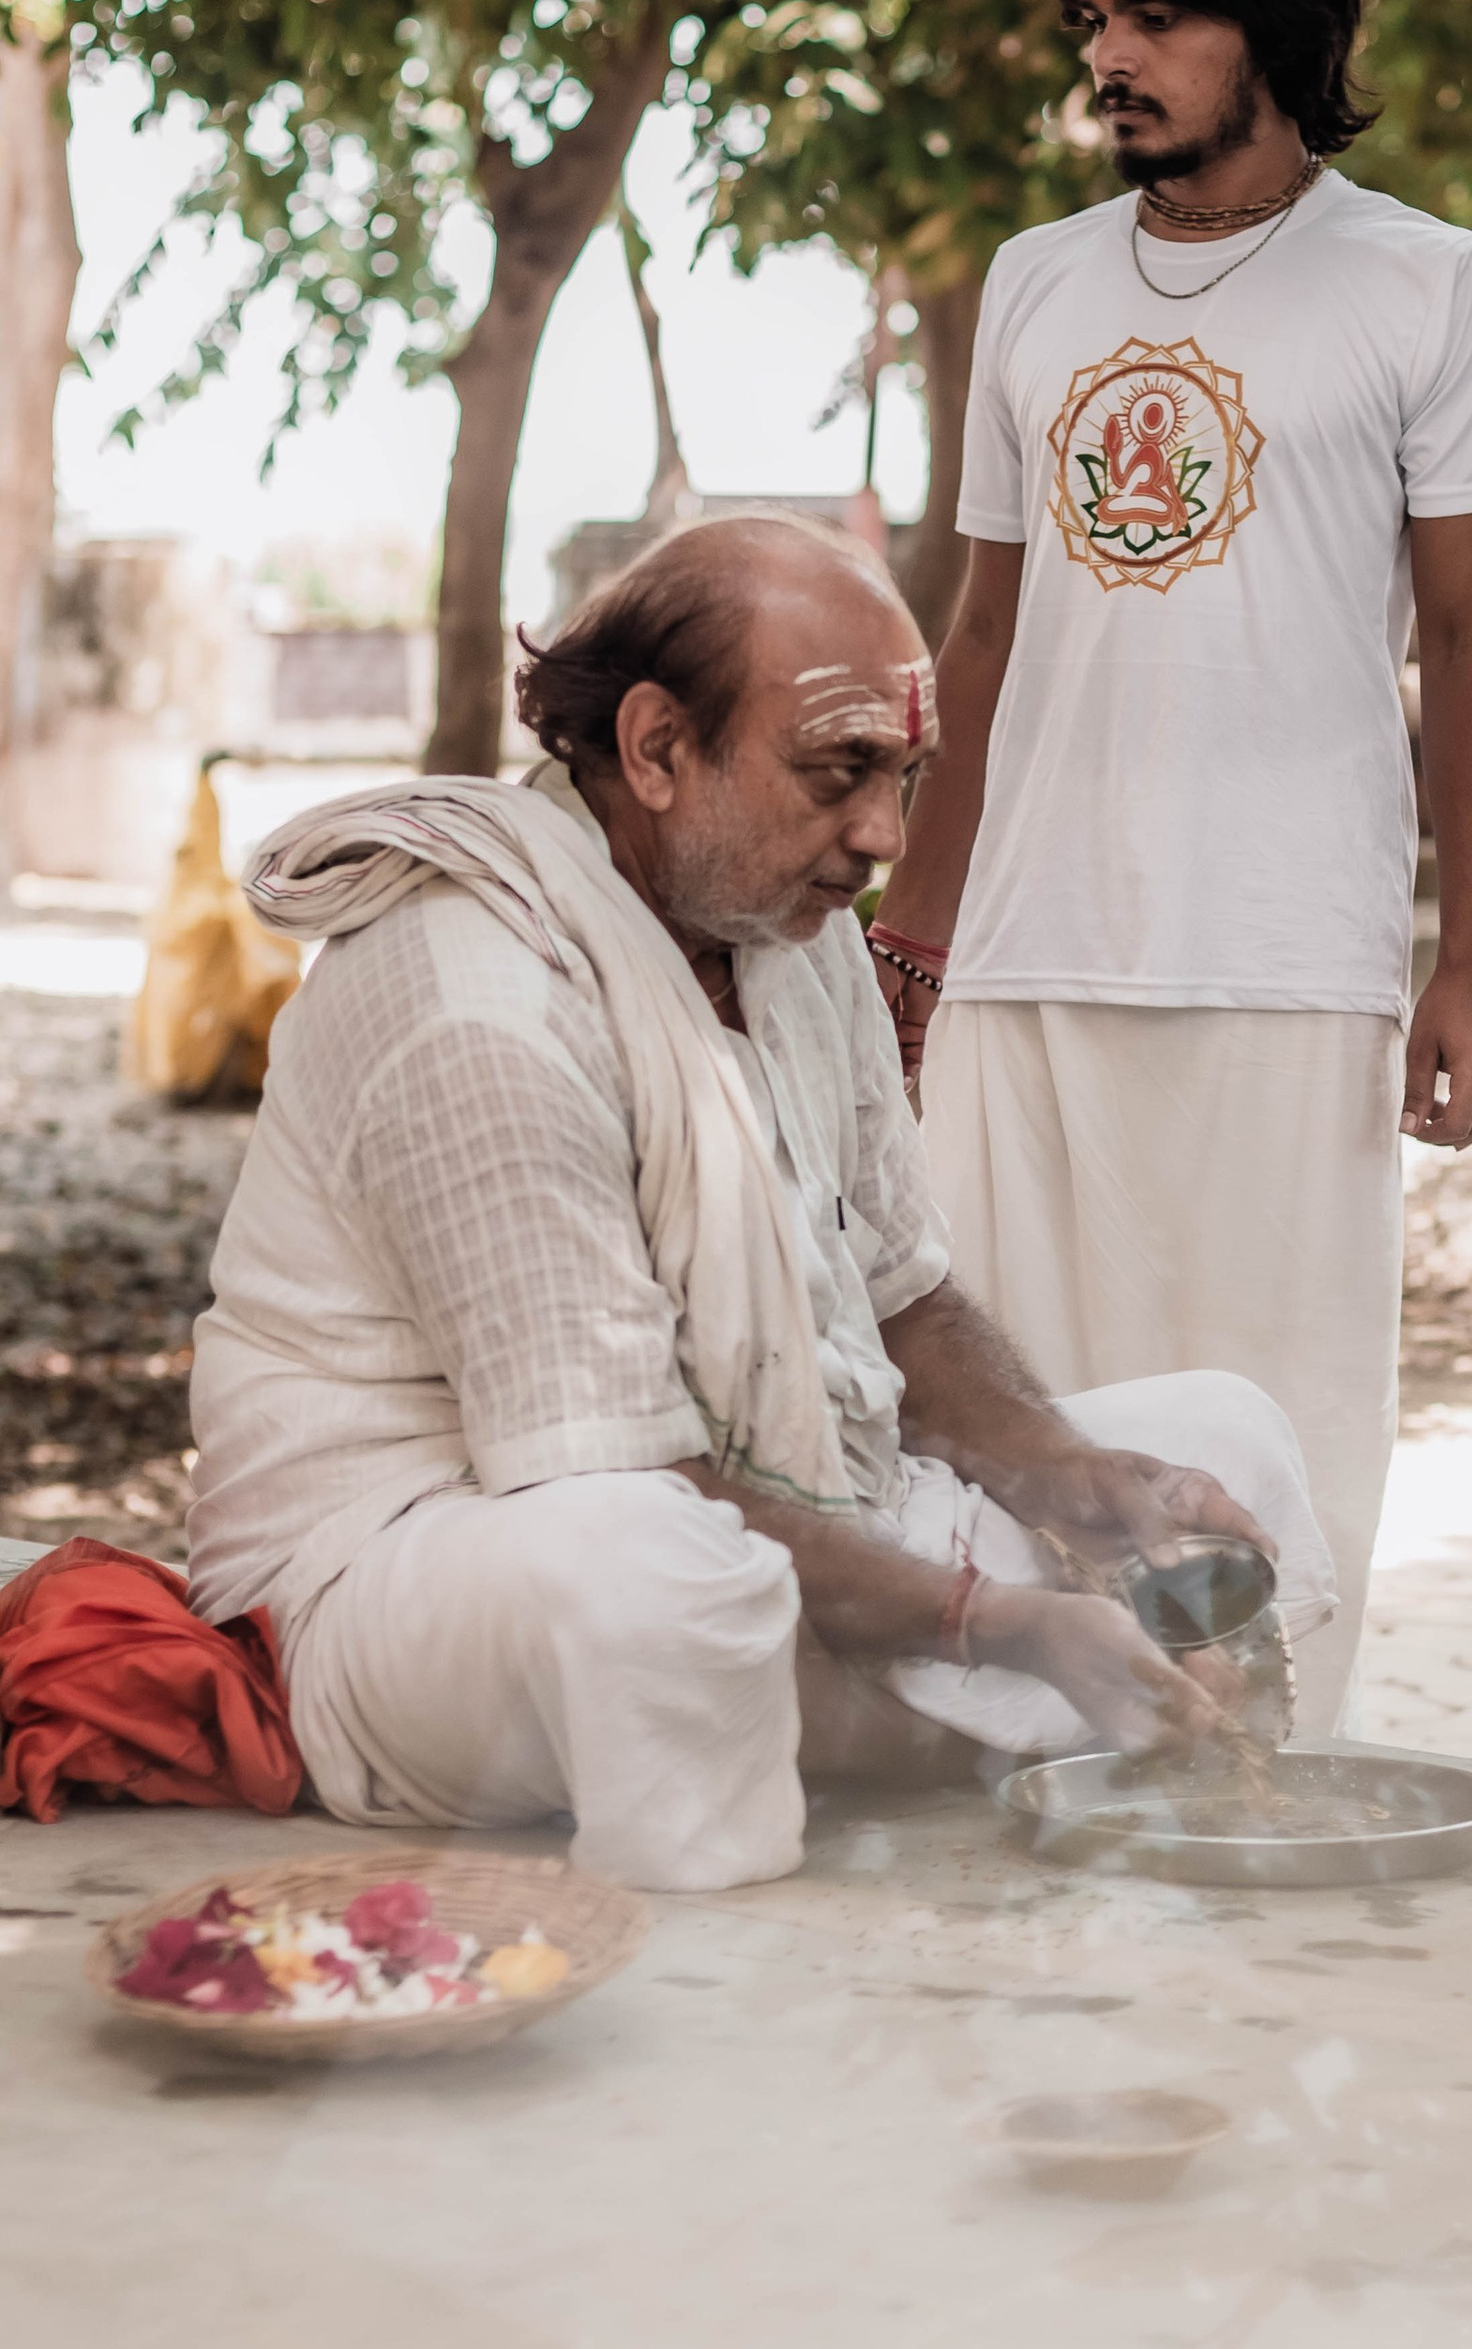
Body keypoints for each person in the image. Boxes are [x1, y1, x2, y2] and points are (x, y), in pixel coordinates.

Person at [186, 517, 1331, 1894]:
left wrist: (1066, 1475)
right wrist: (998, 1623)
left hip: (769, 1498)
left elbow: (902, 1300)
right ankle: (930, 1756)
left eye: (904, 778)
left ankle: (970, 1737)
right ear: (660, 748)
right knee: (659, 1585)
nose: (882, 836)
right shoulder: (472, 995)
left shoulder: (798, 931)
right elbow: (614, 1476)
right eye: (839, 771)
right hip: (428, 1582)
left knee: (1224, 1442)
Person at [868, 0, 1472, 1732]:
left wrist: (1467, 964)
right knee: (1009, 1418)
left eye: (1152, 15)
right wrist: (914, 940)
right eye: (1094, 17)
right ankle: (1019, 1782)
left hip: (1285, 955)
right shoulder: (1036, 283)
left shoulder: (1424, 284)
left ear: (1272, 23)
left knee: (1280, 1419)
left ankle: (1262, 1792)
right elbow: (983, 629)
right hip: (1024, 955)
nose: (1108, 58)